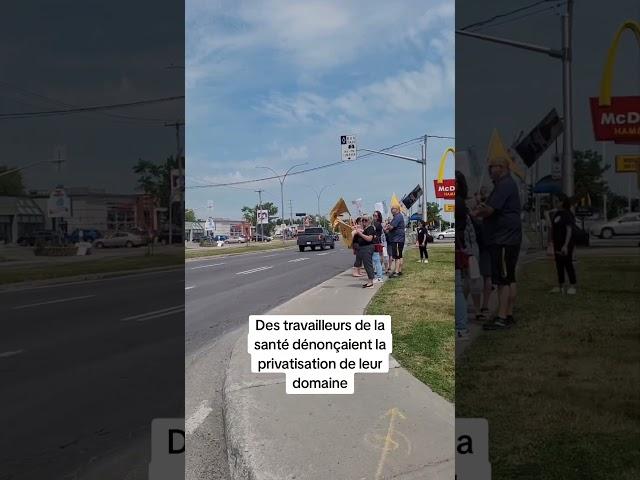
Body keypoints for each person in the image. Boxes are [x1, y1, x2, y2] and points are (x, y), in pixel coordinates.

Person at [473, 155, 522, 330]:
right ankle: (508, 314)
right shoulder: (507, 184)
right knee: (509, 278)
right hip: (510, 237)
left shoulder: (504, 185)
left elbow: (489, 210)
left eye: (492, 167)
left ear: (501, 168)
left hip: (503, 238)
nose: (490, 171)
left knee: (502, 280)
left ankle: (501, 318)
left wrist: (475, 211)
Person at [455, 170, 477, 339]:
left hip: (458, 250)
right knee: (459, 287)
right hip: (460, 249)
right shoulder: (461, 202)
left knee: (458, 288)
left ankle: (461, 327)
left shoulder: (458, 203)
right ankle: (461, 326)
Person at [550, 195, 577, 295]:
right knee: (559, 265)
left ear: (562, 202)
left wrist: (565, 245)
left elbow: (569, 230)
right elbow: (553, 227)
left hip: (566, 244)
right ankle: (561, 285)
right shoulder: (557, 213)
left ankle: (572, 285)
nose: (555, 203)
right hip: (557, 243)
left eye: (557, 201)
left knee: (568, 264)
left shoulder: (567, 214)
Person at [352, 214, 376, 288]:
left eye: (366, 220)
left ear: (370, 221)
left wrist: (360, 233)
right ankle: (369, 281)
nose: (364, 222)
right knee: (366, 265)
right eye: (363, 220)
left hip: (367, 248)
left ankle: (370, 282)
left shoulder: (371, 228)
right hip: (363, 248)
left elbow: (369, 239)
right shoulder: (366, 228)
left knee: (368, 265)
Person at [384, 206, 405, 277]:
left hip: (397, 239)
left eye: (393, 209)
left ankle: (396, 272)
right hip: (398, 239)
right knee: (399, 255)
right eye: (391, 209)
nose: (392, 210)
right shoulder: (398, 216)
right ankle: (399, 270)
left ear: (398, 210)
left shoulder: (397, 216)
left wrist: (386, 227)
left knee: (397, 256)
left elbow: (391, 227)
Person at [372, 211, 385, 282]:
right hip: (376, 242)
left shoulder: (377, 224)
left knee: (376, 260)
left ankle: (379, 277)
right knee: (377, 259)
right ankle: (378, 275)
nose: (374, 217)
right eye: (373, 215)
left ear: (378, 217)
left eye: (375, 216)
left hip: (376, 243)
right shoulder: (376, 224)